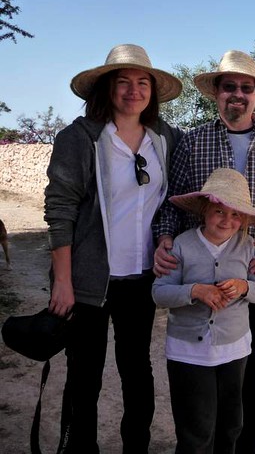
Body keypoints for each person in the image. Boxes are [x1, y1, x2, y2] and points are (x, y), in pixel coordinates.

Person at [153, 49, 255, 454]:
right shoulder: (194, 142)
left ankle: (245, 444)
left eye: (246, 87)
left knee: (248, 362)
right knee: (202, 364)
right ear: (216, 93)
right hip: (198, 273)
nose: (237, 94)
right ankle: (200, 440)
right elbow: (172, 198)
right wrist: (166, 238)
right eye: (229, 87)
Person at [44, 44, 183, 453]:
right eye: (123, 82)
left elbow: (191, 176)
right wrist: (63, 281)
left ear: (152, 92)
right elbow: (60, 210)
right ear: (106, 89)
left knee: (137, 373)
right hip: (87, 281)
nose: (133, 90)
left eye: (142, 82)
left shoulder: (166, 138)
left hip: (140, 279)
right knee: (84, 377)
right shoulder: (80, 138)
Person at [152, 168, 255, 454]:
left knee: (231, 425)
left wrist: (244, 287)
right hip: (188, 353)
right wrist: (194, 291)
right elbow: (159, 293)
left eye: (236, 215)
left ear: (244, 220)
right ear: (205, 210)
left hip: (234, 350)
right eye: (219, 211)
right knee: (196, 429)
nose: (227, 220)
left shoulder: (247, 247)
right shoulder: (181, 245)